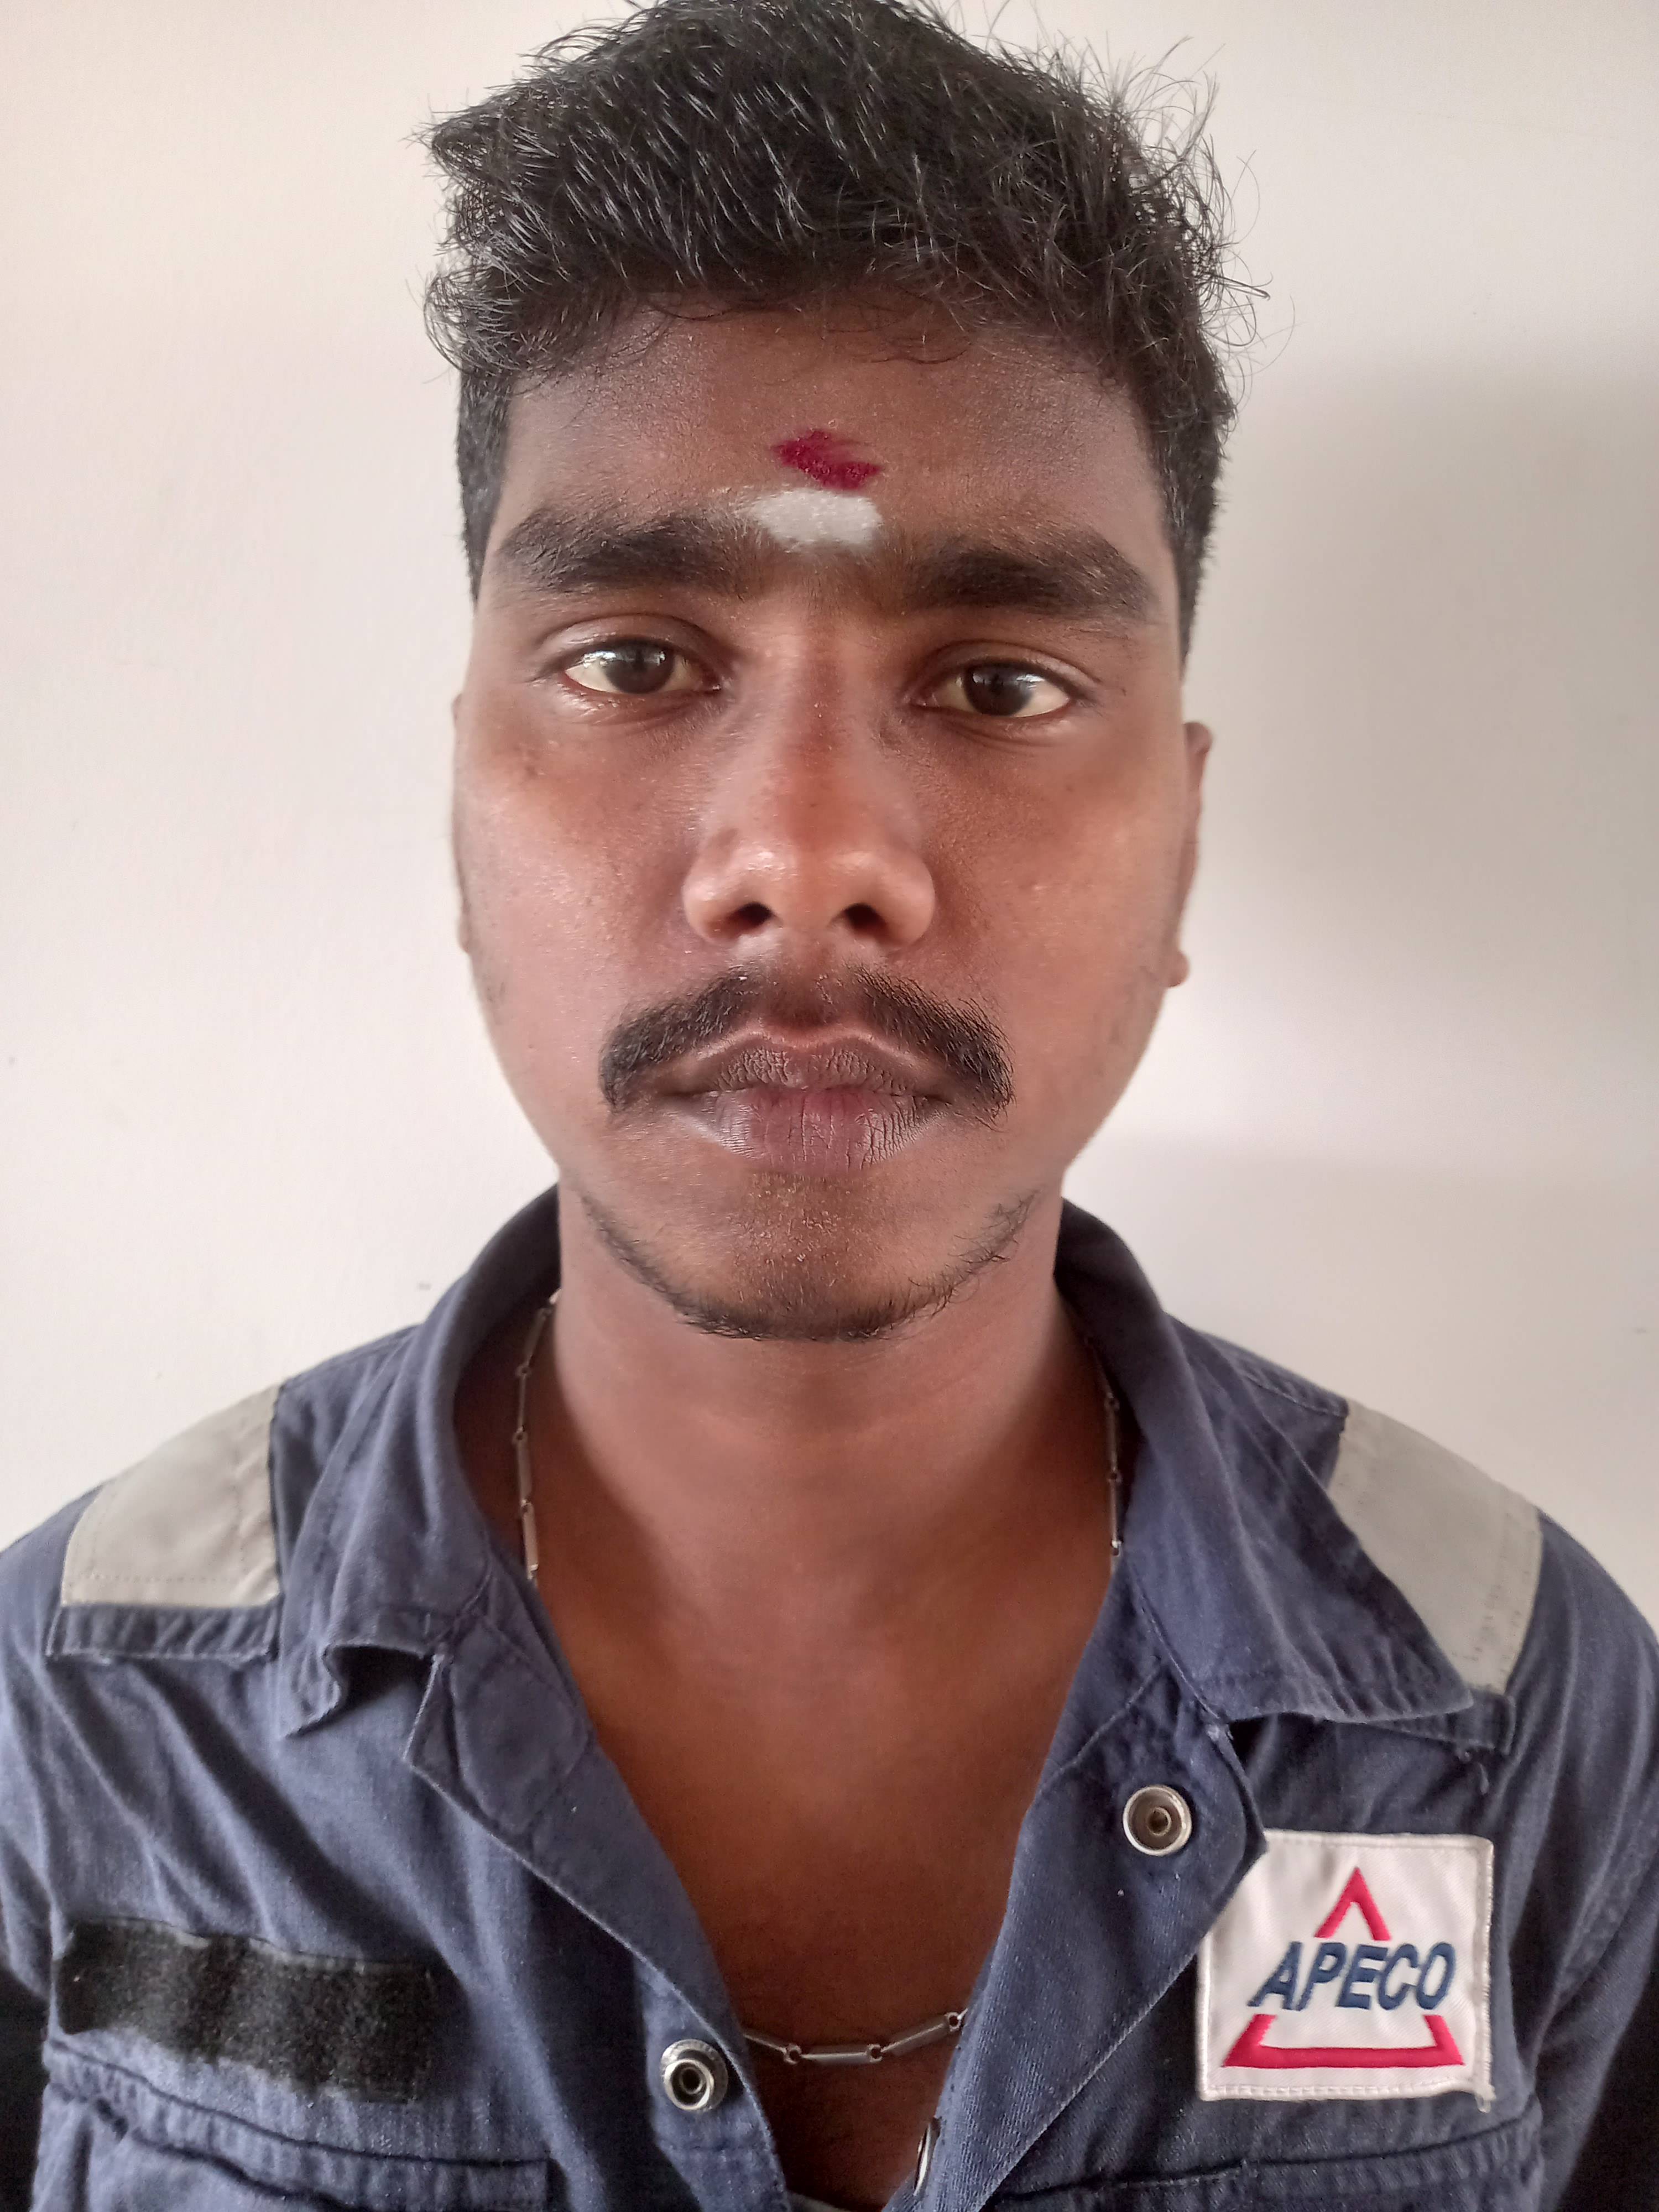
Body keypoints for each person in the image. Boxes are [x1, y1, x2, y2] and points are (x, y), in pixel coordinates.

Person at [2, 2, 1655, 2206]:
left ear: (1179, 843)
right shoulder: (77, 1704)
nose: (804, 853)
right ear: (464, 799)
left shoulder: (1513, 1698)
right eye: (635, 660)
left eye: (1000, 680)